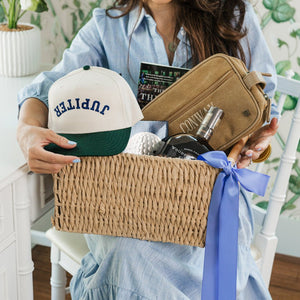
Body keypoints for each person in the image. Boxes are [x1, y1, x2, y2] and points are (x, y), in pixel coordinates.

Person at [17, 0, 279, 299]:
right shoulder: (107, 25)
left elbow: (263, 99)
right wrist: (27, 129)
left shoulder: (232, 13)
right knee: (126, 252)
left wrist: (253, 142)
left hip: (211, 195)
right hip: (126, 196)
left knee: (179, 260)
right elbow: (48, 87)